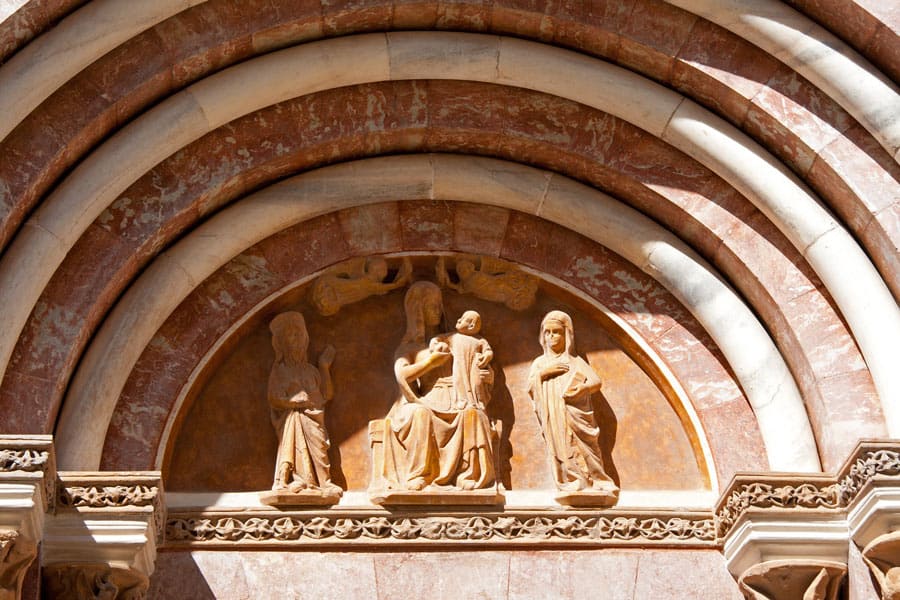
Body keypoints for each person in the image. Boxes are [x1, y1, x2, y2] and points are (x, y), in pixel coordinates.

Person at [379, 282, 496, 491]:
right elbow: (402, 374)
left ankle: (470, 476)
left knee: (474, 414)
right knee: (419, 414)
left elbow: (474, 365)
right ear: (418, 311)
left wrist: (487, 376)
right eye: (432, 306)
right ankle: (420, 474)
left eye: (438, 305)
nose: (438, 311)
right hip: (426, 400)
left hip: (459, 398)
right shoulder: (410, 347)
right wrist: (430, 362)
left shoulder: (458, 340)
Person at [528, 310, 614, 492]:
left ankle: (595, 479)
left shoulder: (575, 361)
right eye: (547, 332)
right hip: (553, 413)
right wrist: (544, 373)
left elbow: (595, 381)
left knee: (584, 446)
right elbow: (530, 387)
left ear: (566, 334)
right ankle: (572, 479)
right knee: (561, 445)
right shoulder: (540, 363)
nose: (552, 337)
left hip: (575, 413)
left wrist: (583, 389)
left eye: (556, 332)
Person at [267, 311, 341, 495]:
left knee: (319, 449)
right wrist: (294, 403)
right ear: (282, 343)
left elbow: (326, 395)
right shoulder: (280, 371)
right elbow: (273, 398)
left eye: (300, 334)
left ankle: (324, 481)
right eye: (292, 335)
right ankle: (298, 479)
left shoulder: (311, 371)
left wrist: (324, 367)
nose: (298, 339)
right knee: (294, 421)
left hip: (316, 419)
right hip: (294, 419)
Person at [429, 310, 494, 410]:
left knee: (477, 383)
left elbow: (488, 351)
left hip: (474, 366)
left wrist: (487, 356)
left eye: (464, 319)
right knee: (459, 381)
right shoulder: (453, 336)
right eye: (460, 318)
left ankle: (477, 401)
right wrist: (435, 343)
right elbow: (438, 338)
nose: (459, 320)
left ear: (471, 326)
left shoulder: (480, 340)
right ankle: (462, 400)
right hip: (459, 365)